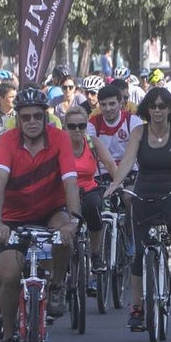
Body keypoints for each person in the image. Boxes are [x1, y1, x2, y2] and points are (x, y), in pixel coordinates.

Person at [0, 88, 81, 342]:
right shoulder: (8, 140)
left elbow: (70, 181)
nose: (32, 122)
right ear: (18, 119)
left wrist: (74, 219)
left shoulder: (59, 138)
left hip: (50, 211)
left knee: (64, 232)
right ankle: (8, 340)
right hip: (13, 217)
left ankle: (57, 284)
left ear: (46, 117)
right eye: (26, 117)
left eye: (38, 116)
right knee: (10, 276)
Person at [103, 88, 171, 330]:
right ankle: (137, 308)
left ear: (170, 109)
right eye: (153, 106)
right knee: (139, 253)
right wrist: (116, 184)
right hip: (144, 190)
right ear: (147, 109)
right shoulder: (139, 132)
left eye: (162, 106)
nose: (157, 110)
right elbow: (128, 161)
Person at [63, 106, 118, 290]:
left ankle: (95, 255)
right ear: (65, 127)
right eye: (72, 126)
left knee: (94, 208)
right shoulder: (60, 145)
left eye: (81, 125)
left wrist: (116, 185)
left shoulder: (93, 143)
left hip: (88, 188)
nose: (77, 130)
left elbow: (110, 165)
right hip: (64, 191)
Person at [88, 84, 143, 175]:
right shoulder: (92, 124)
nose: (108, 109)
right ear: (99, 105)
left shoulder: (133, 121)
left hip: (130, 171)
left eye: (112, 104)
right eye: (103, 105)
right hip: (103, 173)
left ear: (120, 103)